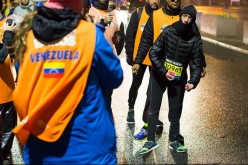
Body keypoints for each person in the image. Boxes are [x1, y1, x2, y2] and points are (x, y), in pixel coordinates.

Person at [12, 0, 123, 164]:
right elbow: (115, 77)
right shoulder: (89, 34)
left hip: (42, 147)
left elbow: (22, 75)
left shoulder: (27, 34)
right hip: (89, 148)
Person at [133, 0, 206, 141]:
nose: (175, 0)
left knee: (175, 104)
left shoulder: (187, 17)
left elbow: (197, 43)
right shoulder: (156, 15)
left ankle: (174, 133)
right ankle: (148, 127)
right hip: (157, 67)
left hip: (178, 71)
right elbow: (146, 40)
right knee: (151, 99)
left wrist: (201, 64)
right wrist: (137, 61)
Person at [125, 0, 160, 125]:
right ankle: (131, 108)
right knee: (135, 84)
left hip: (156, 61)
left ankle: (148, 115)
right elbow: (129, 35)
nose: (154, 1)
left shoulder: (161, 15)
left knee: (152, 90)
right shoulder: (138, 13)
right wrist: (130, 55)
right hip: (139, 60)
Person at [0, 10, 18, 162]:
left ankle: (5, 156)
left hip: (8, 90)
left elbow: (13, 56)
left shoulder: (8, 23)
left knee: (8, 131)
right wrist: (8, 35)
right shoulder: (7, 29)